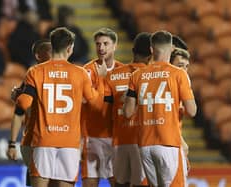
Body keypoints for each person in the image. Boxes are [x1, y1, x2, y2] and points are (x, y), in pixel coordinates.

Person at [13, 27, 104, 187]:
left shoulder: (35, 71)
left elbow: (24, 103)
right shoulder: (80, 73)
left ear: (52, 46)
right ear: (69, 48)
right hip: (69, 143)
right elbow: (95, 104)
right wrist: (101, 80)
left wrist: (17, 97)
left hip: (43, 141)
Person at [123, 30, 197, 187]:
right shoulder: (179, 74)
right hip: (168, 142)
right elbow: (192, 111)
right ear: (171, 49)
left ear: (151, 49)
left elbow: (127, 112)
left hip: (145, 145)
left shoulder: (136, 75)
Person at [104, 32, 151, 187]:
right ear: (152, 54)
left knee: (119, 184)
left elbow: (105, 110)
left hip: (119, 140)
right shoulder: (153, 76)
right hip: (143, 140)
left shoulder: (113, 75)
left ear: (133, 51)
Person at [81, 27, 124, 187]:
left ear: (115, 46)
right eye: (98, 44)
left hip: (115, 138)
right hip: (92, 137)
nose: (101, 48)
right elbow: (89, 102)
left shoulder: (124, 71)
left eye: (106, 43)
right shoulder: (87, 71)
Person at [6, 39, 52, 186]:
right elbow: (19, 112)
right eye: (51, 51)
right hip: (35, 141)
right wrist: (12, 143)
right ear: (39, 56)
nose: (56, 54)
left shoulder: (65, 76)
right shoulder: (31, 78)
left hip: (58, 140)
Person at [170, 47, 191, 179]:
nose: (184, 70)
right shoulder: (169, 87)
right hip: (169, 145)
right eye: (180, 66)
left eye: (186, 66)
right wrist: (181, 142)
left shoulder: (180, 86)